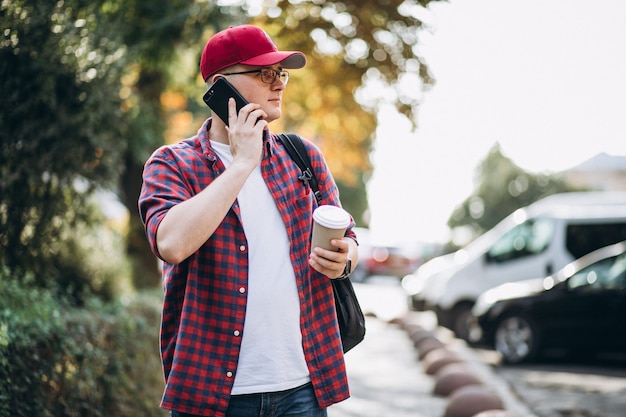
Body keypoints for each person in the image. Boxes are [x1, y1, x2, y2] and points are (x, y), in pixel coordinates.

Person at [138, 24, 359, 417]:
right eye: (263, 73)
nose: (278, 84)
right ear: (221, 87)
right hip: (212, 394)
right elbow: (171, 244)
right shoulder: (172, 163)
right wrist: (242, 163)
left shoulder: (302, 156)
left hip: (303, 389)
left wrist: (346, 258)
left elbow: (350, 240)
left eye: (281, 74)